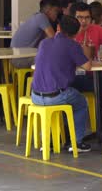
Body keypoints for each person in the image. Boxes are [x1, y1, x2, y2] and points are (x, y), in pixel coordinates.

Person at [31, 15, 92, 152]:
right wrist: (86, 51)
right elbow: (87, 66)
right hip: (56, 96)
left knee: (68, 97)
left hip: (35, 96)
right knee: (81, 102)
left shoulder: (44, 43)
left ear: (58, 28)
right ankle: (76, 142)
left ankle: (52, 141)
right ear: (76, 33)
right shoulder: (73, 45)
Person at [10, 0, 59, 68]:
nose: (56, 14)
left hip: (17, 58)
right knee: (54, 59)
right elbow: (54, 40)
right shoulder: (41, 18)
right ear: (49, 9)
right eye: (56, 11)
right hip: (21, 59)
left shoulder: (36, 17)